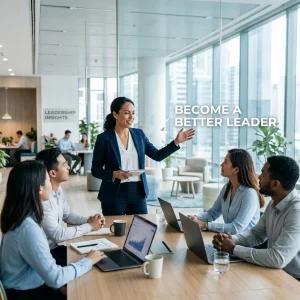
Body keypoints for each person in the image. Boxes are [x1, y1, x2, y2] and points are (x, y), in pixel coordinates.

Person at [0, 161, 106, 299]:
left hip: (30, 285)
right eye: (47, 180)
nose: (51, 185)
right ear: (39, 189)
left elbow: (40, 268)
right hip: (25, 294)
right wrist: (88, 261)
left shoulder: (20, 217)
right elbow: (55, 277)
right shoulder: (28, 228)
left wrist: (59, 288)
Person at [92, 97, 195, 216]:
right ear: (115, 114)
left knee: (141, 230)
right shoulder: (104, 139)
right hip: (114, 193)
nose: (131, 117)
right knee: (117, 232)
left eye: (133, 113)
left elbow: (157, 155)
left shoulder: (139, 134)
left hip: (138, 192)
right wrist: (114, 174)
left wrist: (176, 142)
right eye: (127, 113)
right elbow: (96, 170)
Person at [212, 155, 300, 280]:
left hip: (294, 280)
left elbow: (278, 258)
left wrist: (233, 248)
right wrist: (230, 239)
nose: (258, 177)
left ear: (275, 184)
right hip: (275, 273)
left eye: (263, 174)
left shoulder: (297, 212)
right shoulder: (274, 203)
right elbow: (256, 235)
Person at [35, 148, 105, 266]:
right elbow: (58, 235)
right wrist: (90, 226)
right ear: (53, 173)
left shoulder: (57, 190)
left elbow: (67, 215)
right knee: (89, 264)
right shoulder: (43, 199)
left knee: (97, 257)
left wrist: (89, 220)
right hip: (44, 255)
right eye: (65, 164)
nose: (68, 167)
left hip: (53, 249)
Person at [188, 149, 264, 234]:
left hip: (244, 244)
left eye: (225, 162)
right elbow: (212, 213)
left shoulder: (250, 194)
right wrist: (195, 218)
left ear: (236, 170)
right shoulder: (227, 188)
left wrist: (205, 225)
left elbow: (236, 228)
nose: (221, 165)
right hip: (229, 240)